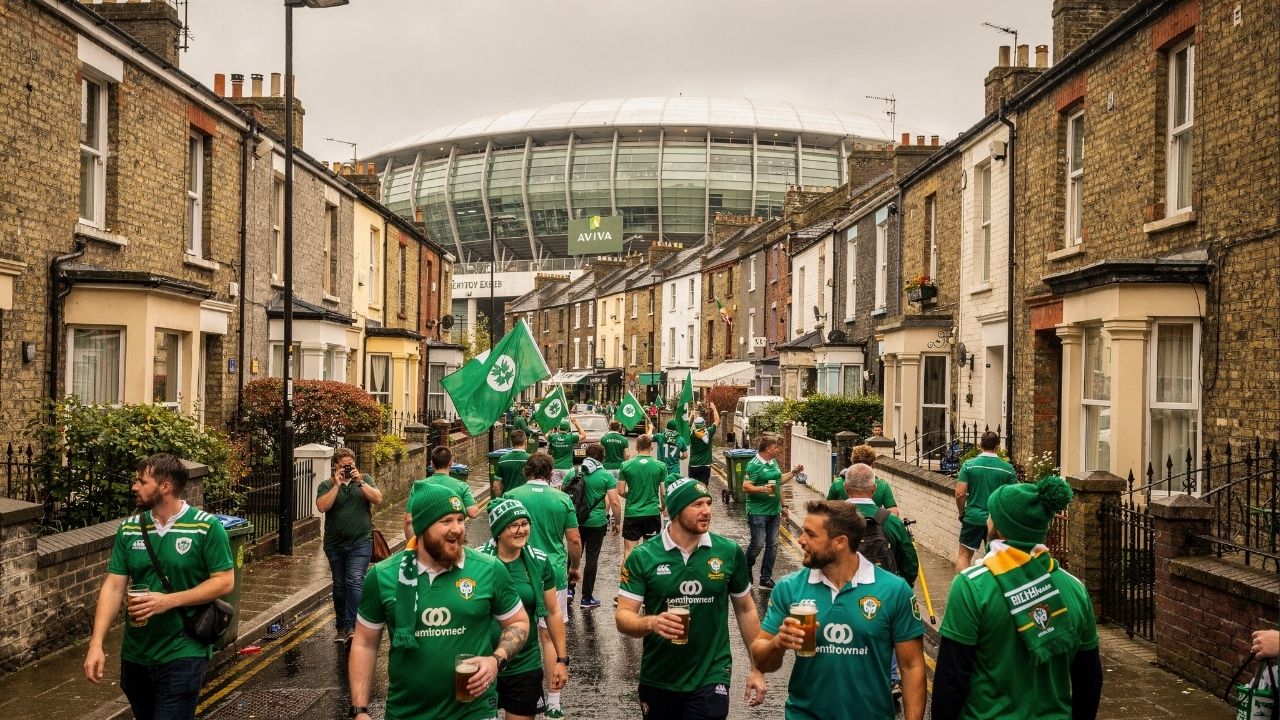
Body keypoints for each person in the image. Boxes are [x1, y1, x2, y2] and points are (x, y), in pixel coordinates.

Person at [348, 483, 530, 720]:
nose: (457, 529)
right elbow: (364, 642)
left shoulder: (489, 569)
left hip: (474, 712)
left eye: (460, 519)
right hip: (406, 713)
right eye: (446, 521)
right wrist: (359, 710)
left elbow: (519, 622)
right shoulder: (383, 576)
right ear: (423, 527)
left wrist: (496, 660)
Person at [931, 475, 1102, 720]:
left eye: (991, 515)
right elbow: (1089, 681)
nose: (988, 520)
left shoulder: (971, 586)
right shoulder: (1075, 588)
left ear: (999, 527)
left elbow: (951, 678)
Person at [83, 454, 234, 720]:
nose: (134, 487)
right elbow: (114, 587)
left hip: (184, 649)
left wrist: (167, 601)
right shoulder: (129, 529)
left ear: (164, 487)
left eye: (142, 481)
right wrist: (96, 644)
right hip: (136, 654)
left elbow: (224, 581)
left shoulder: (206, 527)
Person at [751, 500, 926, 720]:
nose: (800, 540)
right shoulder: (789, 588)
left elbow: (912, 667)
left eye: (810, 534)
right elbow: (761, 659)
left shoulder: (894, 590)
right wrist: (778, 642)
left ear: (840, 542)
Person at [616, 477, 768, 719]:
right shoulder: (643, 556)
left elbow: (746, 609)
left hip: (712, 673)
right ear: (676, 510)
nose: (707, 511)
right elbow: (623, 616)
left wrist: (757, 668)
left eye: (708, 503)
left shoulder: (728, 552)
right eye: (697, 505)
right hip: (659, 677)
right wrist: (651, 623)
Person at [505, 452, 582, 718]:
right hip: (554, 575)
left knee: (511, 631)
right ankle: (553, 701)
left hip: (517, 573)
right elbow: (573, 540)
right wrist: (574, 567)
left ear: (527, 471)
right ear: (550, 473)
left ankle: (502, 698)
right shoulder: (561, 498)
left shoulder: (511, 496)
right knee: (549, 635)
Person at [481, 499, 569, 720]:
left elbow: (552, 611)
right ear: (498, 531)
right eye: (513, 525)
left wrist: (561, 660)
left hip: (524, 664)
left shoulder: (539, 561)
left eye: (525, 523)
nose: (521, 530)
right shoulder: (478, 561)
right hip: (482, 662)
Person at [316, 447, 384, 643]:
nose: (346, 469)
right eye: (343, 466)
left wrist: (359, 482)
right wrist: (336, 485)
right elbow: (322, 507)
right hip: (334, 544)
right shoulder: (326, 484)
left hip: (360, 542)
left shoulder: (364, 479)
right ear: (335, 466)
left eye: (350, 465)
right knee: (339, 585)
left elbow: (378, 499)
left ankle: (351, 626)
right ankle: (340, 626)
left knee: (354, 580)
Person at [743, 437, 803, 589]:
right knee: (758, 544)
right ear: (768, 449)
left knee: (773, 545)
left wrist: (784, 505)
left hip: (774, 511)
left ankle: (765, 578)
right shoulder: (753, 465)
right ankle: (745, 569)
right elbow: (746, 486)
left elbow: (779, 482)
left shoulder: (773, 462)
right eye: (776, 447)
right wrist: (763, 489)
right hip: (757, 511)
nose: (778, 450)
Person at [843, 464, 918, 584]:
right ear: (874, 489)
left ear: (845, 487)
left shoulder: (830, 519)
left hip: (842, 592)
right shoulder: (893, 522)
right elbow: (910, 565)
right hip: (884, 592)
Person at [954, 431, 1017, 573]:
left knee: (964, 556)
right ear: (997, 446)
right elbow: (1013, 495)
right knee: (995, 558)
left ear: (980, 445)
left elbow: (960, 493)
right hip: (996, 521)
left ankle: (961, 589)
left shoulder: (969, 465)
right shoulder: (1007, 469)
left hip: (973, 517)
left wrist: (962, 512)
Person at [574, 445, 622, 609]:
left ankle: (569, 590)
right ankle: (586, 598)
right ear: (602, 458)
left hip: (575, 521)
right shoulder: (606, 476)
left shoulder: (574, 473)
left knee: (573, 555)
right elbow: (614, 502)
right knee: (591, 558)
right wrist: (618, 521)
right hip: (596, 522)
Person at [619, 434, 667, 566]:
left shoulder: (625, 465)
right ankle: (649, 583)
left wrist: (634, 495)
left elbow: (621, 491)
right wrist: (663, 507)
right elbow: (664, 493)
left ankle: (626, 583)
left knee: (629, 551)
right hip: (652, 513)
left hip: (632, 513)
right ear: (651, 447)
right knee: (651, 552)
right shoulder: (661, 466)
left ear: (636, 446)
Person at [827, 445, 899, 515]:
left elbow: (826, 510)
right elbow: (894, 512)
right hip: (875, 525)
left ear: (852, 462)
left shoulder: (838, 483)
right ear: (873, 464)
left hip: (846, 525)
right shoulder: (883, 485)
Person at [688, 403, 720, 484]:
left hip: (693, 465)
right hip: (705, 465)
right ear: (704, 424)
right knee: (704, 487)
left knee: (694, 487)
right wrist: (714, 408)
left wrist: (691, 415)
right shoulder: (708, 432)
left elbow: (687, 425)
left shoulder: (692, 435)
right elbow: (717, 420)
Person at [548, 417, 584, 488]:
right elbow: (583, 435)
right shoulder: (570, 437)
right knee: (568, 488)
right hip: (567, 468)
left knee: (555, 488)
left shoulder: (553, 437)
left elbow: (546, 435)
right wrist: (576, 424)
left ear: (559, 428)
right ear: (568, 429)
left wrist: (551, 427)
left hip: (555, 467)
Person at [496, 430, 534, 497]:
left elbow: (496, 486)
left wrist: (501, 499)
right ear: (525, 442)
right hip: (525, 499)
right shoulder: (531, 459)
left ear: (511, 443)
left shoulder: (502, 460)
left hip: (508, 499)